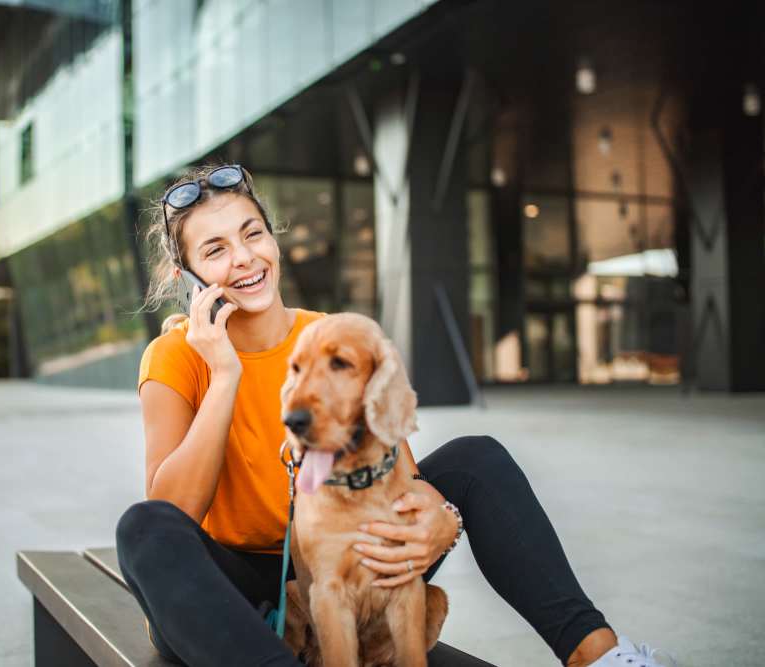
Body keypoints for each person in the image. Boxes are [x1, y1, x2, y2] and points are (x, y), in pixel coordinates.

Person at [116, 164, 672, 667]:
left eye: (252, 234)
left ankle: (599, 655)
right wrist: (226, 374)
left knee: (476, 458)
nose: (243, 259)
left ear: (274, 240)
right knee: (142, 526)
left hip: (343, 565)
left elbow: (398, 478)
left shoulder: (330, 337)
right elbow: (174, 515)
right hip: (221, 594)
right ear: (186, 276)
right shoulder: (175, 356)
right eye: (214, 251)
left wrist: (444, 515)